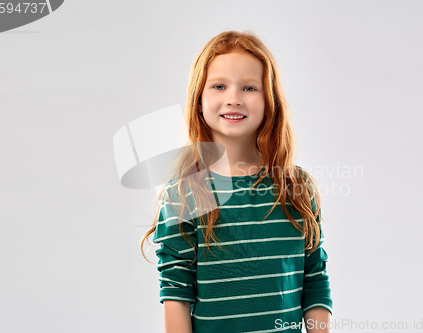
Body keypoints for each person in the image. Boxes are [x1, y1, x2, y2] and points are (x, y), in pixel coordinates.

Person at [141, 30, 332, 333]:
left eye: (249, 88)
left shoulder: (297, 187)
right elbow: (176, 292)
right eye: (219, 86)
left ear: (270, 101)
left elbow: (314, 280)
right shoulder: (183, 192)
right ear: (199, 102)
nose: (234, 99)